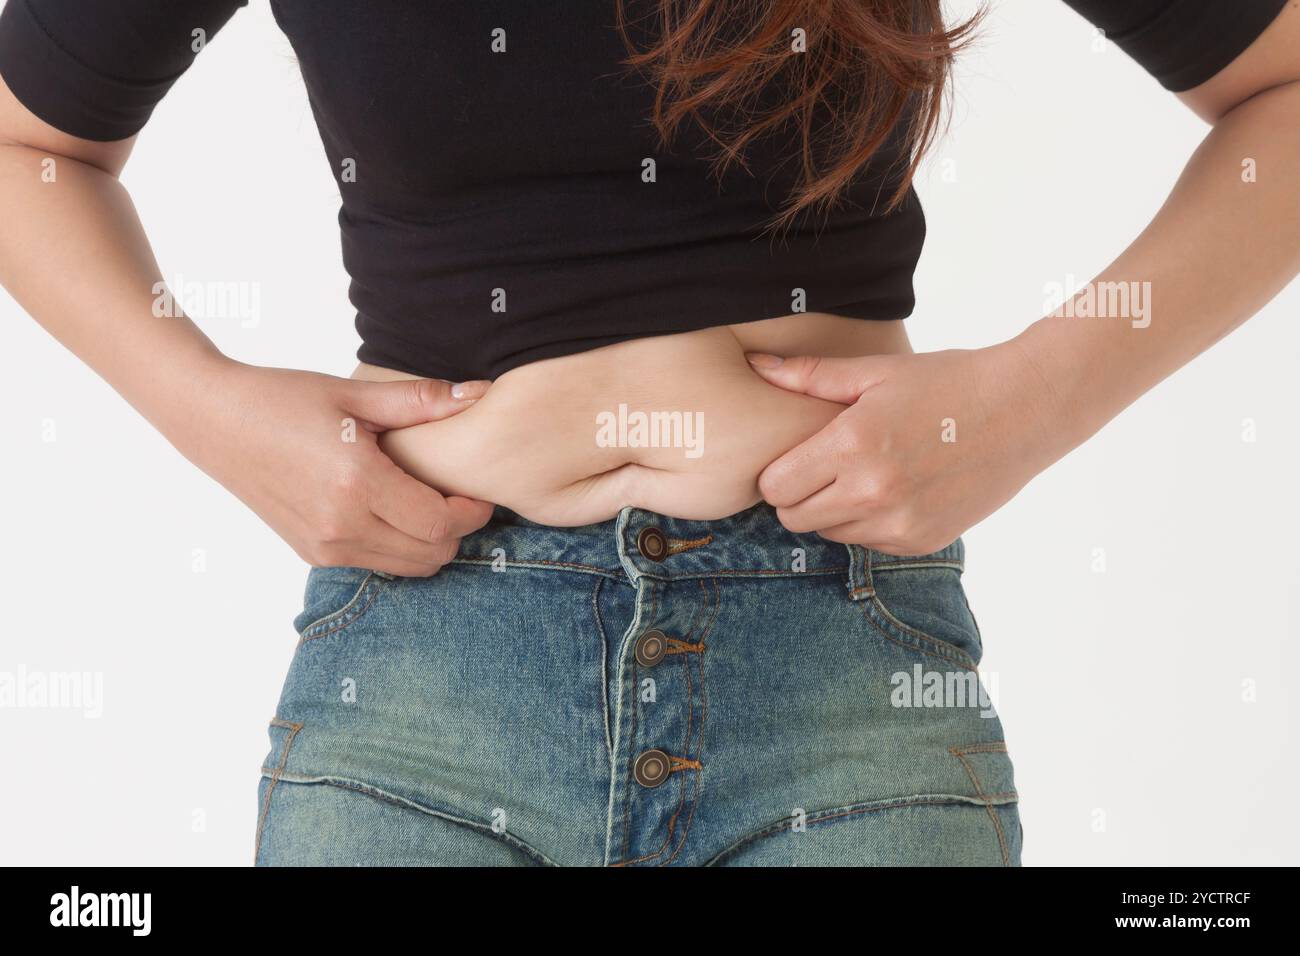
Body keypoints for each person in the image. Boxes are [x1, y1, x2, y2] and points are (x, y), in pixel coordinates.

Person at [0, 0, 1295, 866]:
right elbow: (28, 147)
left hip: (837, 659)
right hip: (425, 674)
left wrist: (1033, 398)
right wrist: (209, 409)